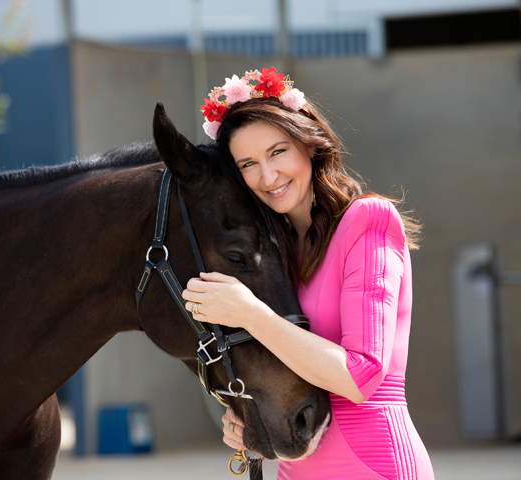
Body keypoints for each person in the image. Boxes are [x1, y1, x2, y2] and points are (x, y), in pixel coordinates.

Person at [182, 67, 435, 479]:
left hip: (372, 464)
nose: (268, 176)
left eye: (278, 152)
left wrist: (250, 314)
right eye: (248, 163)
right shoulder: (273, 251)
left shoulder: (367, 222)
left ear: (308, 144)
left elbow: (361, 374)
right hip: (295, 469)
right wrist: (247, 414)